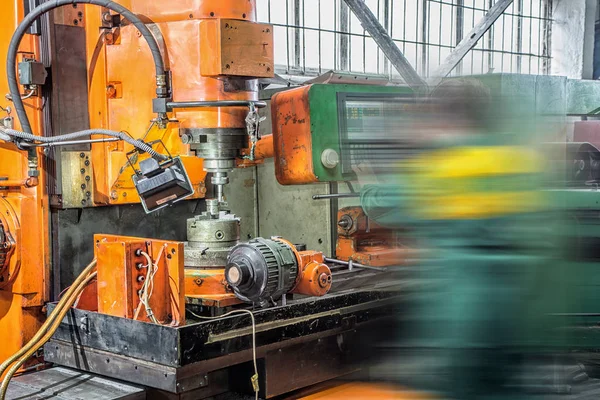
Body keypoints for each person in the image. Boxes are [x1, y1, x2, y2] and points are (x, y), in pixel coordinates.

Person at [357, 78, 558, 399]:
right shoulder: (519, 162)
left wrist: (365, 178)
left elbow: (384, 204)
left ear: (448, 117)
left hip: (460, 319)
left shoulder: (442, 168)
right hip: (516, 314)